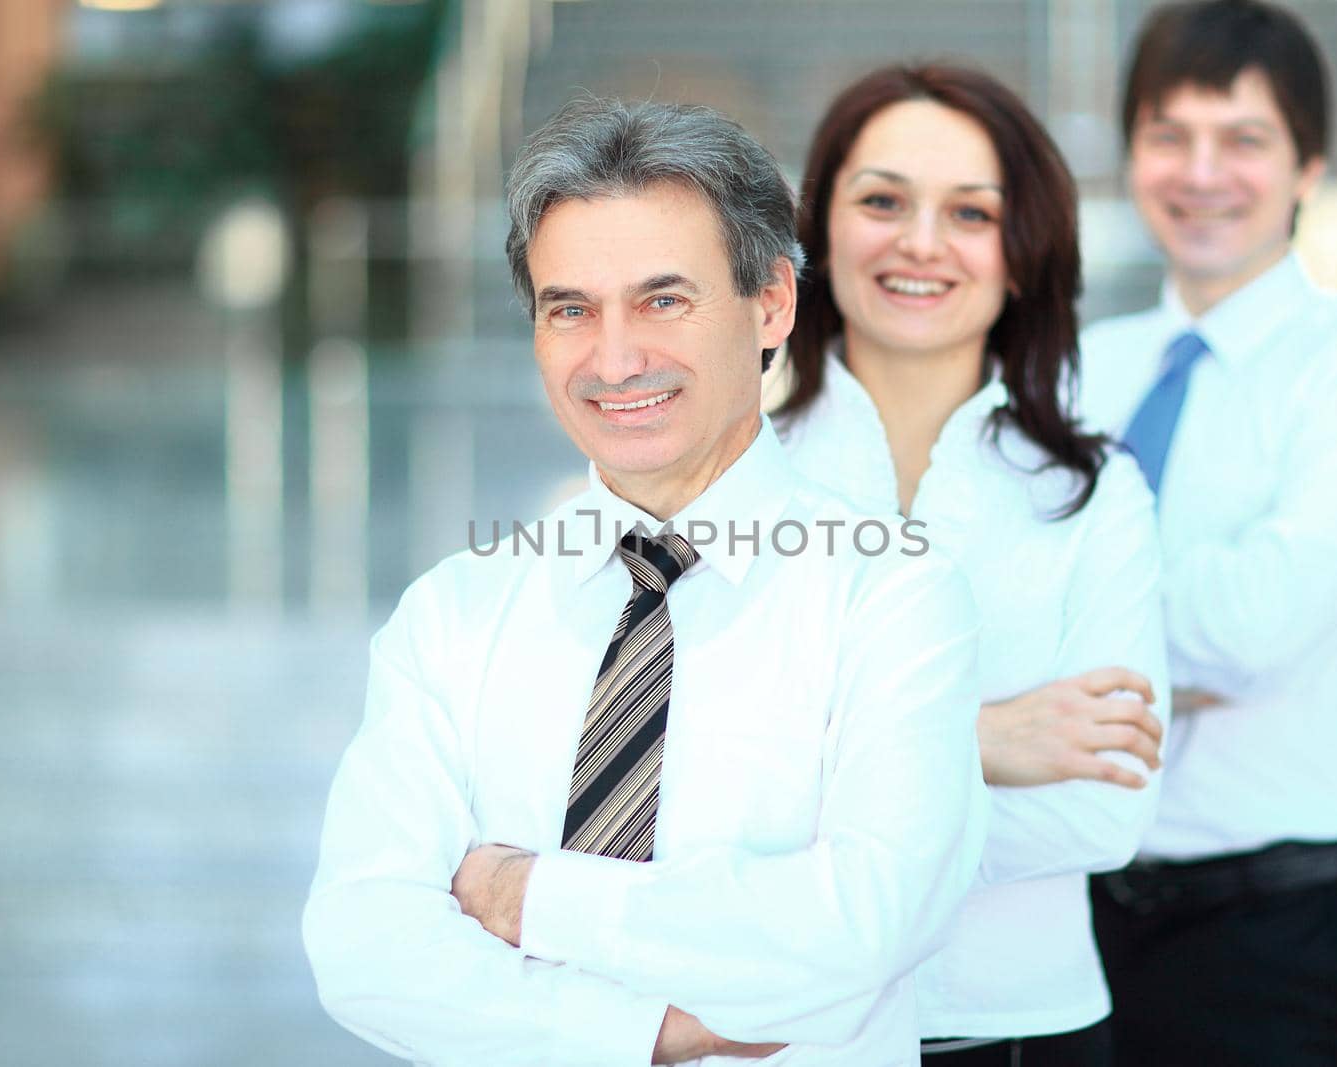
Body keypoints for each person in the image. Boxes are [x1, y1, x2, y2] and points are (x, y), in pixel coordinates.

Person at [302, 97, 993, 1067]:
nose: (614, 358)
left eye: (663, 299)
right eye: (569, 309)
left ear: (772, 305)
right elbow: (364, 946)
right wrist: (648, 1032)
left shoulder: (890, 595)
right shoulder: (455, 613)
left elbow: (865, 922)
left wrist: (529, 896)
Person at [1078, 3, 1337, 1063]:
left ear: (1307, 164)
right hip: (1064, 920)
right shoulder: (1076, 369)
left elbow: (1252, 632)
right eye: (1170, 135)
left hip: (1274, 934)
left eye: (1242, 138)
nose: (1202, 172)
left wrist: (1052, 648)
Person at [777, 64, 1169, 1066]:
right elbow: (674, 788)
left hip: (1029, 1033)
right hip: (774, 1030)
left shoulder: (1093, 493)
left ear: (1022, 252)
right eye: (881, 201)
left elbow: (1105, 807)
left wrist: (809, 785)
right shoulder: (731, 477)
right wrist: (982, 738)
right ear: (821, 228)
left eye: (969, 212)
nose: (919, 242)